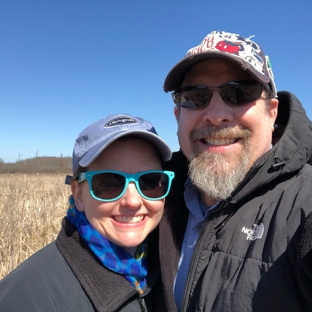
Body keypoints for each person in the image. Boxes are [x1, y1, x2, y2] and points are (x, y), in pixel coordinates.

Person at [159, 30, 312, 311]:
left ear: (272, 112)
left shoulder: (305, 204)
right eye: (195, 96)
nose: (217, 114)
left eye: (240, 93)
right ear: (178, 116)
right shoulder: (152, 194)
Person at [0, 113, 175, 312]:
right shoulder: (26, 299)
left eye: (150, 181)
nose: (133, 201)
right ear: (79, 195)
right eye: (109, 183)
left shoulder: (165, 271)